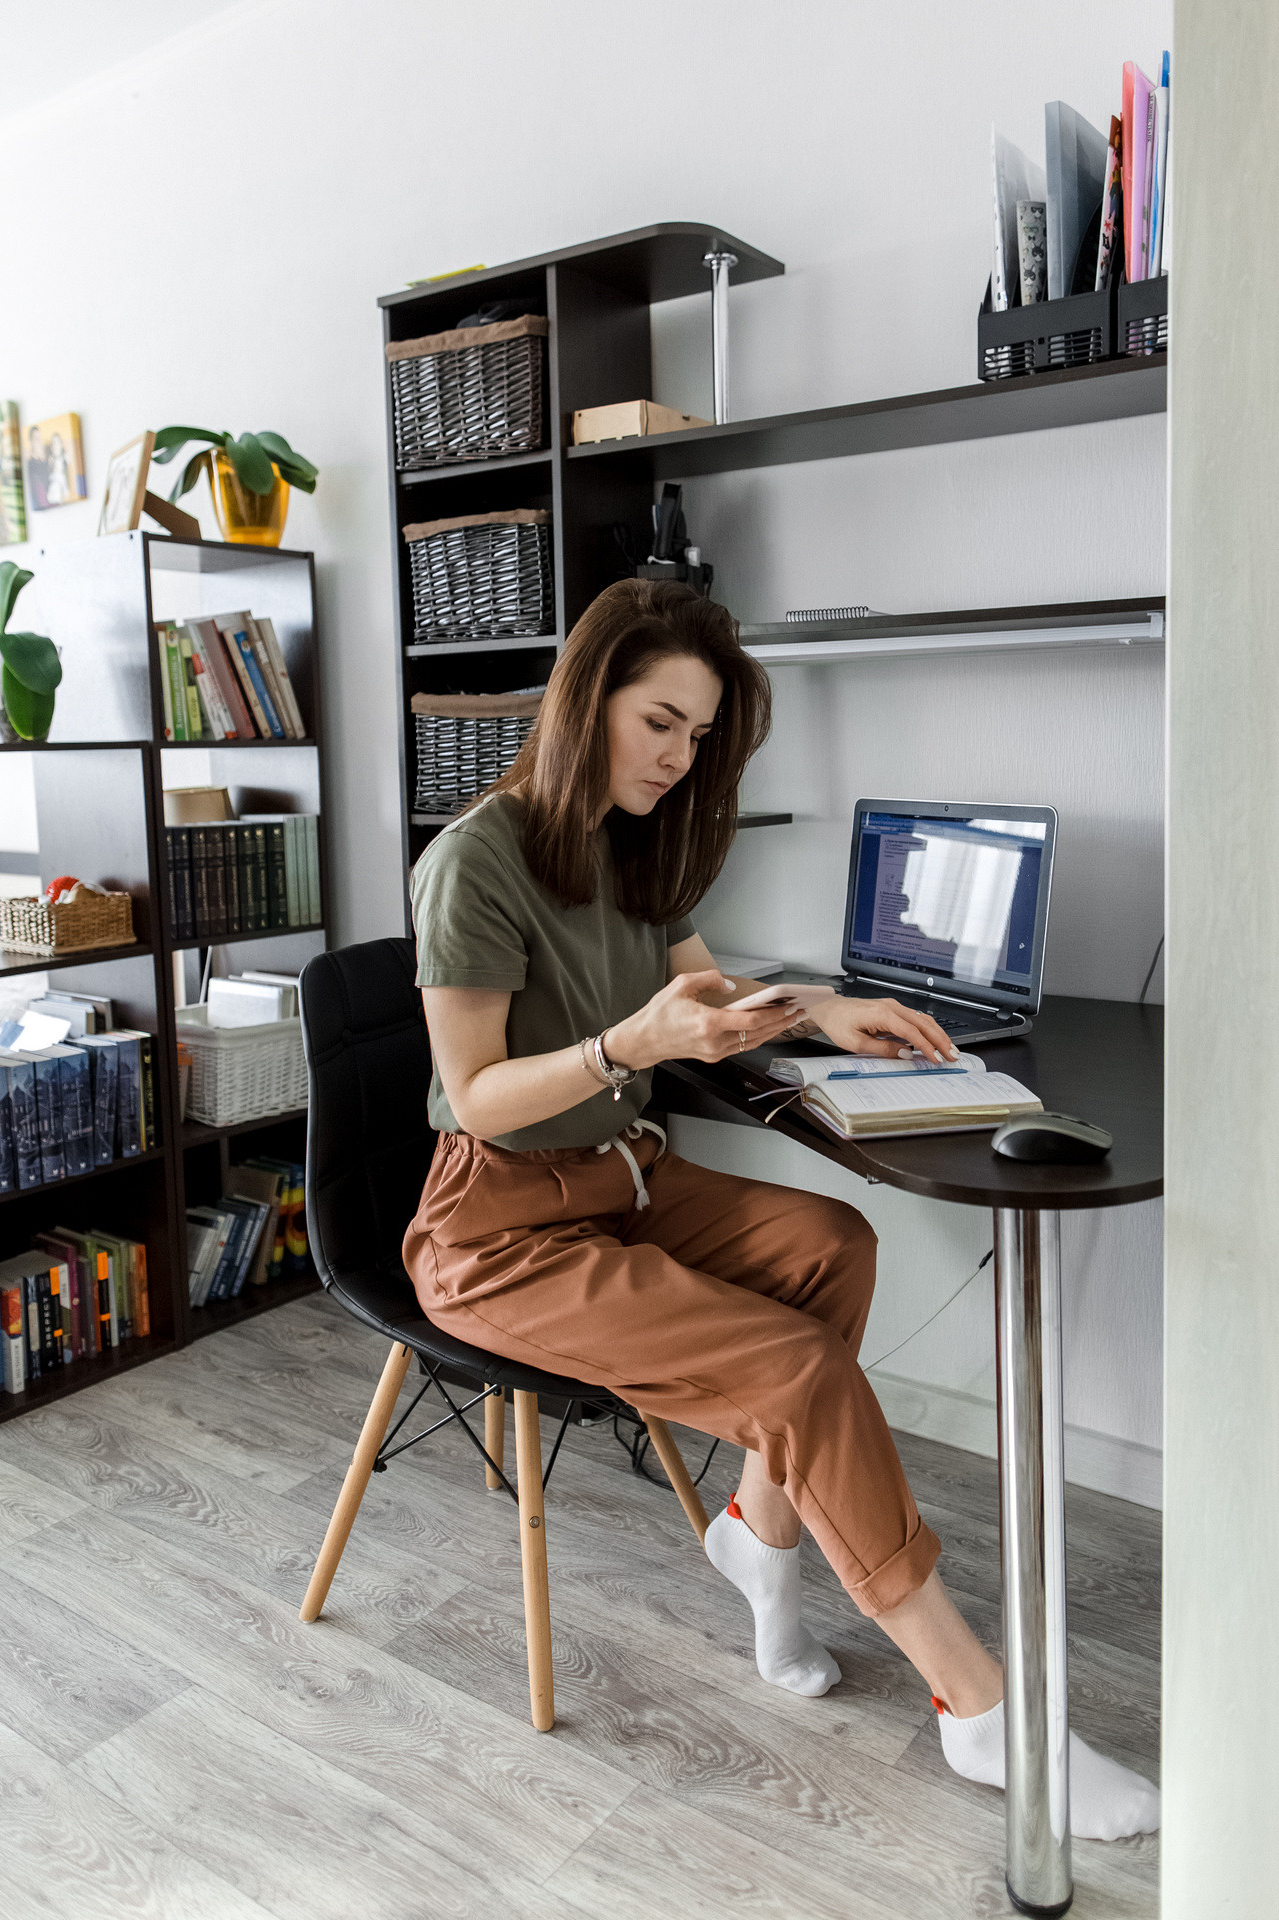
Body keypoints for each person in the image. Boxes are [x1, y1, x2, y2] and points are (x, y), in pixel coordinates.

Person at [403, 578, 1158, 1841]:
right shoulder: (474, 861)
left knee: (830, 1244)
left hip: (622, 1184)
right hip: (497, 1229)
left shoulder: (630, 841)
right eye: (658, 722)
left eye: (697, 736)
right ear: (586, 698)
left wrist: (815, 1009)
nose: (675, 757)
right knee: (800, 1373)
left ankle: (760, 1536)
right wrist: (621, 1044)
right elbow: (477, 1095)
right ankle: (978, 1710)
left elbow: (705, 986)